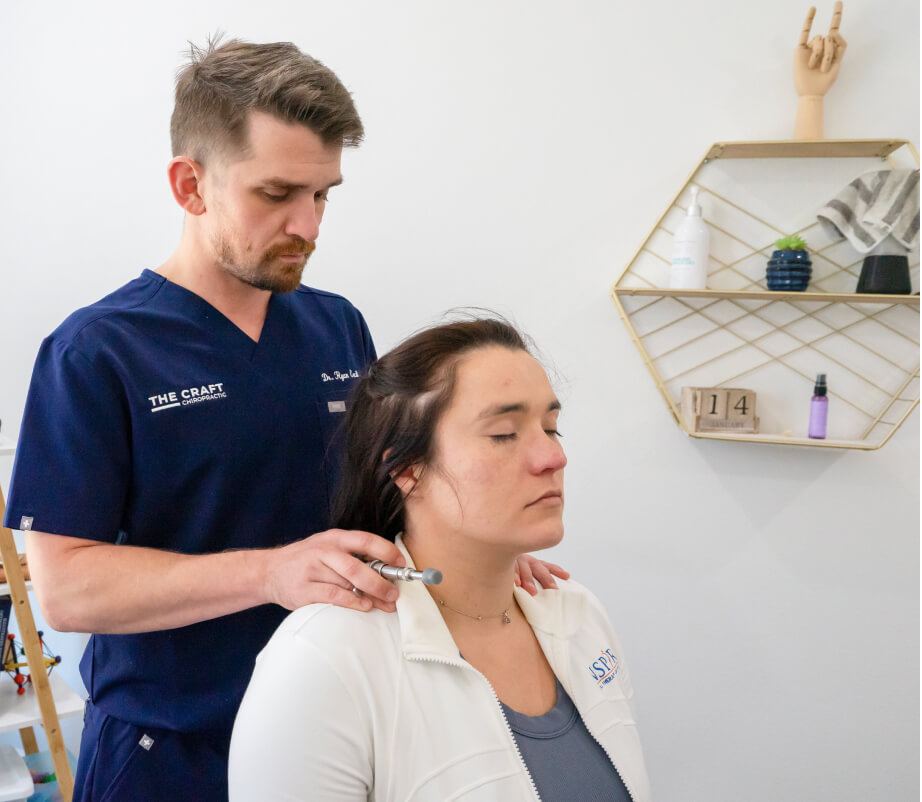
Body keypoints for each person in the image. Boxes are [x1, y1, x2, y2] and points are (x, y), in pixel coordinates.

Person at [3, 39, 564, 801]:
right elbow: (67, 590)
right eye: (276, 194)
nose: (310, 225)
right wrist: (269, 573)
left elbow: (382, 504)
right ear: (190, 185)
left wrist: (480, 556)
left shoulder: (337, 328)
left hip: (344, 734)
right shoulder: (97, 352)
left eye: (324, 194)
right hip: (175, 752)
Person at [229, 317, 651, 801]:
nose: (553, 458)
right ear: (407, 470)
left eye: (551, 428)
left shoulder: (576, 614)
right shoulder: (326, 658)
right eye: (504, 434)